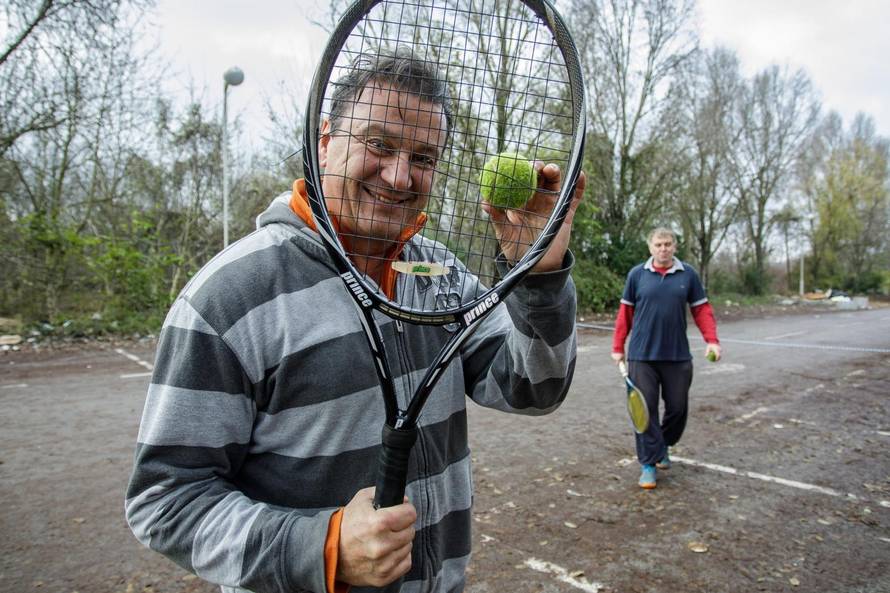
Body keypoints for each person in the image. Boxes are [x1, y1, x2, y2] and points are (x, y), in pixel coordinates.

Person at [125, 48, 586, 593]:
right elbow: (166, 499)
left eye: (423, 157)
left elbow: (535, 387)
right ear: (324, 143)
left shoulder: (439, 275)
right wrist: (321, 549)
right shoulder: (230, 297)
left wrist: (540, 270)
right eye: (378, 144)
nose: (399, 175)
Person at [611, 228, 721, 489]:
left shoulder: (688, 275)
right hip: (642, 356)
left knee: (678, 408)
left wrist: (712, 340)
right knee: (645, 411)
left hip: (677, 355)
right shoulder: (637, 275)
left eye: (668, 244)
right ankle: (648, 464)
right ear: (650, 247)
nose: (663, 248)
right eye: (658, 244)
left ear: (675, 246)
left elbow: (702, 310)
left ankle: (663, 445)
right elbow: (625, 313)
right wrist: (618, 346)